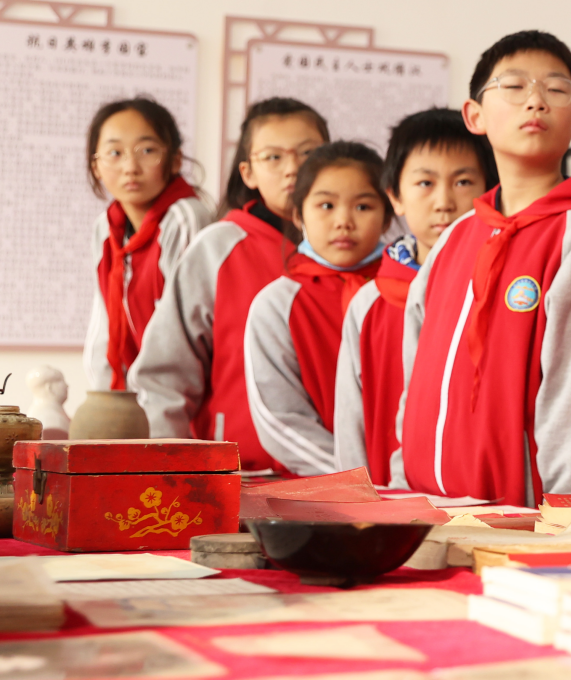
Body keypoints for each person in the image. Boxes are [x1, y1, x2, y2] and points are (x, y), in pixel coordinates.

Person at [397, 31, 571, 503]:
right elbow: (413, 374)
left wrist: (569, 516)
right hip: (425, 505)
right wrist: (403, 484)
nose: (535, 101)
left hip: (521, 518)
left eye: (556, 88)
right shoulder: (456, 235)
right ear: (474, 115)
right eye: (514, 86)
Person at [132, 98, 329, 472]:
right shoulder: (218, 247)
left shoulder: (359, 254)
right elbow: (165, 376)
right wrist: (169, 473)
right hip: (240, 473)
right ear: (248, 173)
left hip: (340, 474)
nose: (293, 169)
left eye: (308, 153)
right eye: (273, 157)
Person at [335, 108, 494, 482]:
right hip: (385, 502)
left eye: (463, 182)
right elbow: (350, 420)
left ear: (490, 190)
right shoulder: (370, 303)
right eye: (425, 183)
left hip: (481, 496)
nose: (444, 202)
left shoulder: (497, 292)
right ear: (395, 196)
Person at [246, 142, 389, 476]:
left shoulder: (407, 292)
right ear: (299, 215)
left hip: (411, 487)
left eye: (363, 206)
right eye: (326, 205)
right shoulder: (276, 304)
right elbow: (280, 419)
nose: (343, 222)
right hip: (317, 488)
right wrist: (354, 480)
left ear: (388, 214)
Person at [83, 97, 211, 392]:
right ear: (96, 165)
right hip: (135, 397)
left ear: (175, 160)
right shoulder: (105, 228)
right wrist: (103, 397)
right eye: (114, 153)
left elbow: (184, 335)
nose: (130, 167)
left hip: (183, 396)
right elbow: (104, 320)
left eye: (147, 150)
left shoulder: (186, 219)